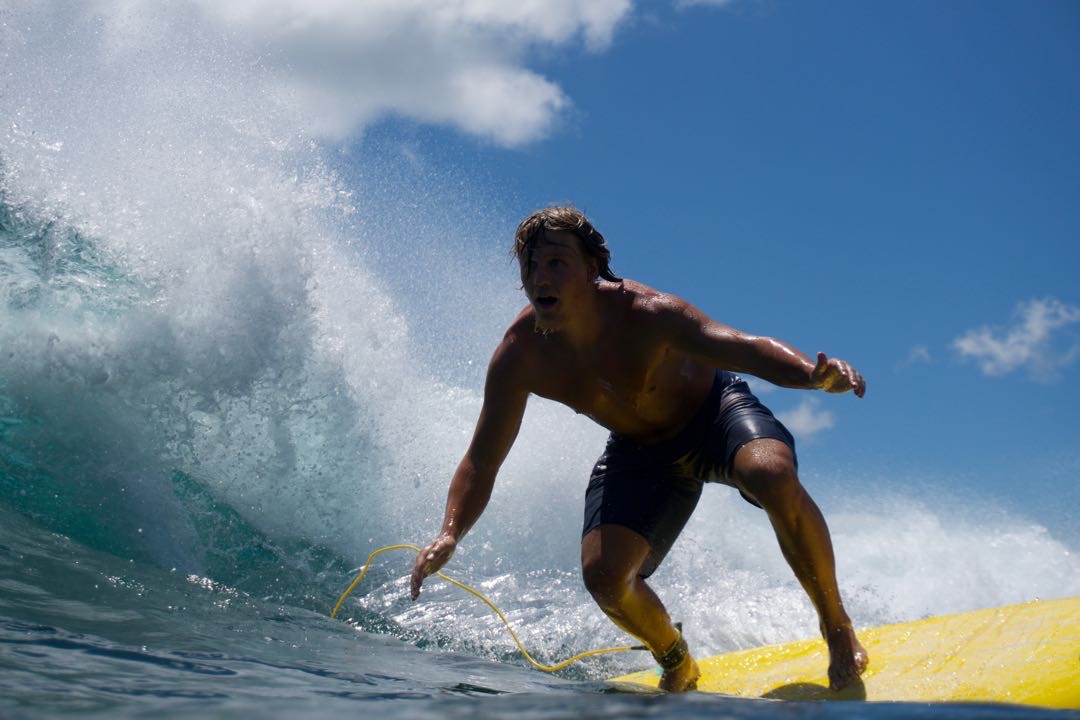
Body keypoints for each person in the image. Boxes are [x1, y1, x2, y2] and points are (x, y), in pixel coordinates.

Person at [409, 206, 868, 692]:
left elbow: (743, 347)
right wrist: (450, 532)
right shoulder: (520, 356)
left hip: (714, 415)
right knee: (605, 579)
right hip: (641, 453)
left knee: (770, 473)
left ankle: (836, 626)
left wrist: (811, 375)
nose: (540, 277)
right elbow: (482, 460)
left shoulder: (647, 313)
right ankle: (675, 658)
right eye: (531, 265)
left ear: (591, 268)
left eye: (556, 263)